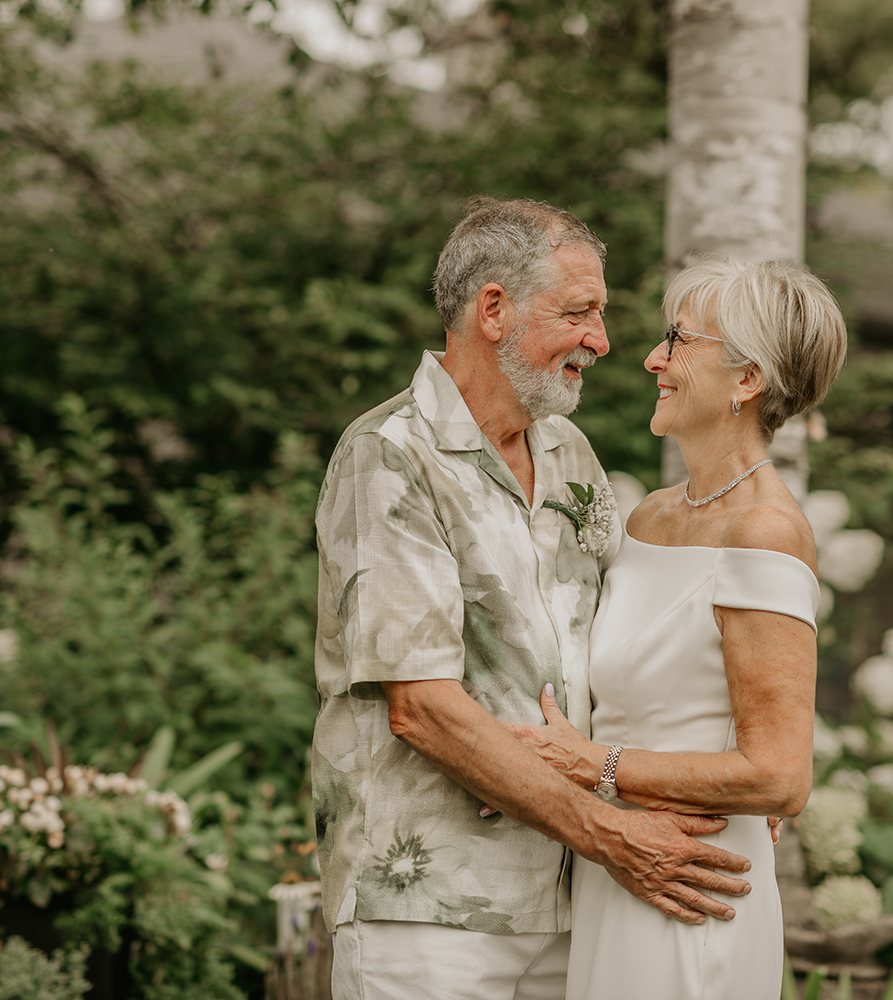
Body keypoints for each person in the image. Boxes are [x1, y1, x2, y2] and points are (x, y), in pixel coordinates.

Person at [311, 198, 755, 1000]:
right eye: (580, 312)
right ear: (493, 309)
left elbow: (632, 646)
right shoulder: (388, 456)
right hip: (430, 910)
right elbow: (422, 708)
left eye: (603, 315)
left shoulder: (570, 453)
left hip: (574, 901)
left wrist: (736, 757)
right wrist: (615, 836)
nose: (604, 341)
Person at [509, 255, 848, 1000]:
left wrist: (592, 765)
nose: (651, 358)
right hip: (618, 868)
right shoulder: (650, 516)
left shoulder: (766, 532)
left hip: (694, 882)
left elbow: (780, 777)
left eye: (679, 340)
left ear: (747, 379)